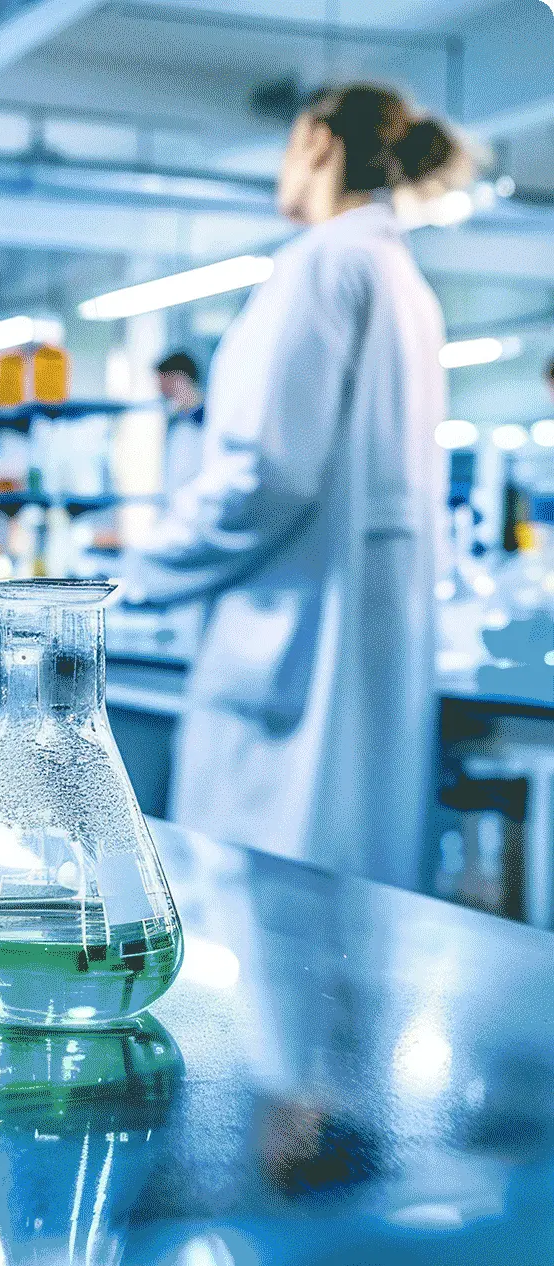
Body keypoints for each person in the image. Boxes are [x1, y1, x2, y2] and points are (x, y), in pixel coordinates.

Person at [122, 84, 462, 888]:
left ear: (318, 143)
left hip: (289, 654)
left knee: (261, 906)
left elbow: (266, 475)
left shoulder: (321, 264)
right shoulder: (399, 277)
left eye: (288, 146)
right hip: (353, 646)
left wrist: (144, 570)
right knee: (355, 900)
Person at [155, 350, 206, 498]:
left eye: (163, 381)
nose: (160, 389)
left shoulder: (202, 419)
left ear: (179, 378)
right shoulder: (177, 419)